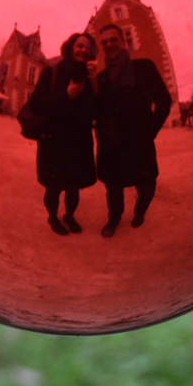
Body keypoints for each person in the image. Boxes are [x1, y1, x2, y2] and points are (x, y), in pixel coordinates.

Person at [95, 23, 171, 237]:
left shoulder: (144, 67)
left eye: (113, 40)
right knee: (113, 189)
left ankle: (139, 212)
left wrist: (150, 130)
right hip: (112, 146)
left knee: (147, 185)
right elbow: (97, 111)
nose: (109, 44)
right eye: (104, 42)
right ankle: (114, 219)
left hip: (140, 142)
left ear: (123, 41)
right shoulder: (100, 78)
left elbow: (164, 101)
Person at [27, 32, 99, 235]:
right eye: (79, 46)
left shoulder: (91, 78)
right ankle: (53, 217)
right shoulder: (53, 72)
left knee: (74, 187)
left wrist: (95, 86)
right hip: (54, 142)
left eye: (87, 48)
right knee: (53, 187)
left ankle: (69, 215)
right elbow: (36, 104)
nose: (84, 50)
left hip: (80, 143)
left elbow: (97, 112)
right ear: (71, 48)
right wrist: (66, 95)